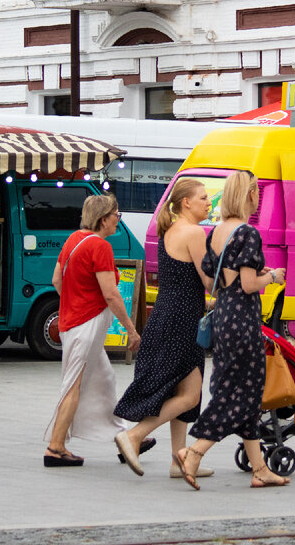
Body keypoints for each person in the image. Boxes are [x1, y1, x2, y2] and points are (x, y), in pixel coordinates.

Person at [172, 170, 288, 490]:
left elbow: (220, 277)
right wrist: (273, 276)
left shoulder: (216, 232)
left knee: (237, 390)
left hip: (223, 316)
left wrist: (251, 272)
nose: (257, 198)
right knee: (243, 394)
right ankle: (194, 452)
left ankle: (260, 469)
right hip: (243, 320)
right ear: (249, 195)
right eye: (256, 193)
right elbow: (249, 284)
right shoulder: (248, 233)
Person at [114, 178, 215, 480]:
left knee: (181, 390)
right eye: (203, 198)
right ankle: (134, 436)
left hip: (167, 316)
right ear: (186, 203)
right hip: (183, 321)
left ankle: (178, 460)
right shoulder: (194, 232)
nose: (208, 203)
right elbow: (208, 281)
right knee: (191, 396)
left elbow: (184, 283)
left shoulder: (170, 230)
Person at [44, 194, 141, 467]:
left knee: (104, 379)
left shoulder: (74, 239)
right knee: (74, 385)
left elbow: (56, 278)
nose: (118, 220)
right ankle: (55, 446)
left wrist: (73, 302)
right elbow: (111, 294)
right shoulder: (100, 247)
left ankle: (125, 436)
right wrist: (132, 331)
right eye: (116, 215)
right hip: (87, 323)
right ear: (103, 219)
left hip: (71, 322)